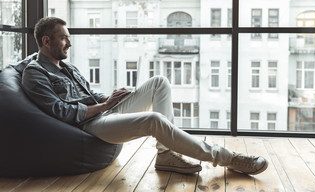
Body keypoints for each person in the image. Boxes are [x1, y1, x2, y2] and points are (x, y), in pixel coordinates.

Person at [22, 17, 268, 175]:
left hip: (102, 112)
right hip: (88, 125)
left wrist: (112, 97)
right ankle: (228, 158)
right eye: (64, 38)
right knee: (154, 121)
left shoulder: (66, 66)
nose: (69, 44)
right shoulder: (35, 74)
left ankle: (165, 154)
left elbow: (88, 95)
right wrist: (105, 105)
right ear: (46, 40)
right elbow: (62, 113)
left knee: (158, 82)